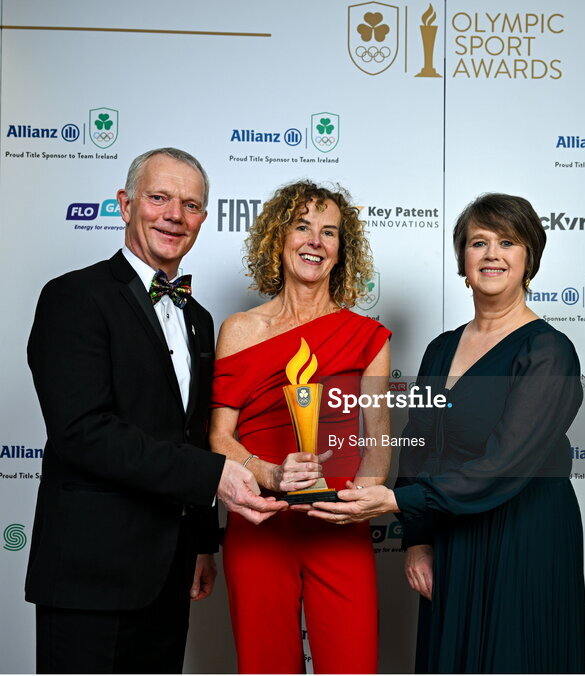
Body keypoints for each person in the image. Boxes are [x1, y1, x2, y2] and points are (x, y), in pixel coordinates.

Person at [25, 147, 284, 674]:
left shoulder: (199, 318)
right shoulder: (73, 296)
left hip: (169, 572)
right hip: (90, 574)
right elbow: (83, 432)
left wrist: (201, 543)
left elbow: (190, 435)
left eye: (190, 205)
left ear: (203, 221)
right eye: (159, 197)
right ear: (125, 205)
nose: (173, 215)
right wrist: (217, 476)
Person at [309, 193, 585, 673]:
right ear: (463, 259)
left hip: (523, 539)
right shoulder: (441, 349)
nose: (492, 254)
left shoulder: (548, 352)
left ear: (529, 260)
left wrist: (397, 504)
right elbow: (419, 447)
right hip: (453, 536)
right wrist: (417, 539)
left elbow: (505, 464)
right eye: (478, 242)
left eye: (508, 242)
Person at [210, 180, 391, 673]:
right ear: (278, 238)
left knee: (353, 664)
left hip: (339, 525)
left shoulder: (367, 336)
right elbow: (219, 437)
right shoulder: (240, 329)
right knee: (264, 664)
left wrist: (361, 498)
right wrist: (266, 472)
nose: (315, 240)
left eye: (329, 232)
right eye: (302, 226)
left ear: (340, 251)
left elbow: (376, 440)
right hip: (259, 522)